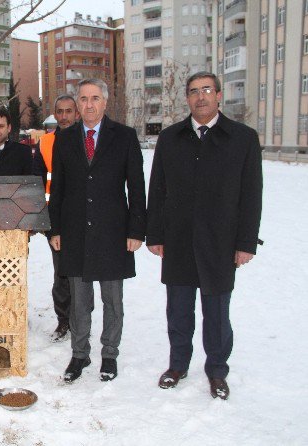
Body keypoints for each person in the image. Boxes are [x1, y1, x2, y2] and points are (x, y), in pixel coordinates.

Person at [146, 72, 263, 400]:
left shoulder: (242, 139)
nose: (201, 97)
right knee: (178, 311)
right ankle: (178, 365)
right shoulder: (171, 138)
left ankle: (216, 370)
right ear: (187, 98)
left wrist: (245, 243)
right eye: (194, 92)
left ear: (219, 95)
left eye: (207, 90)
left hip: (220, 243)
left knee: (217, 314)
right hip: (178, 241)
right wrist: (154, 234)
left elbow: (251, 195)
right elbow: (158, 189)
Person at [48, 78, 146, 383]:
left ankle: (109, 354)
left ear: (104, 102)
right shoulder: (64, 139)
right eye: (83, 99)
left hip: (113, 232)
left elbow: (137, 187)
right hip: (76, 232)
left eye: (94, 98)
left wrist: (136, 230)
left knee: (112, 299)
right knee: (79, 300)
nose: (88, 105)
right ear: (77, 104)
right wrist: (56, 229)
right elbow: (58, 188)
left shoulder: (125, 137)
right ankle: (79, 354)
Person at [33, 95, 80, 342]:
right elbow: (38, 183)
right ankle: (64, 320)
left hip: (83, 217)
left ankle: (81, 319)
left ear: (77, 113)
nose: (64, 116)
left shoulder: (87, 139)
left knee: (82, 273)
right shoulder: (45, 144)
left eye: (69, 111)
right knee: (61, 272)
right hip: (56, 218)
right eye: (60, 111)